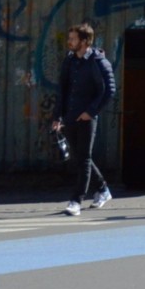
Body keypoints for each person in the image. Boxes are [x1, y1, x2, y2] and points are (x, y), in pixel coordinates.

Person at [52, 23, 115, 216]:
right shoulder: (70, 61)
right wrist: (57, 117)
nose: (69, 42)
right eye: (70, 38)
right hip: (70, 117)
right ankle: (103, 189)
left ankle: (76, 201)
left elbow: (109, 90)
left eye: (73, 39)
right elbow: (62, 90)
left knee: (84, 158)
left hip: (87, 118)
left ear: (85, 41)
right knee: (81, 157)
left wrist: (91, 111)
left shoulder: (98, 61)